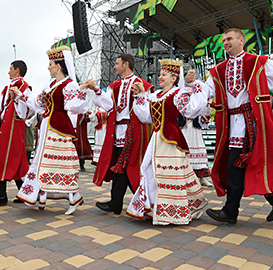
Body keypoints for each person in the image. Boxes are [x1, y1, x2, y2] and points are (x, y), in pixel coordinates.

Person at [186, 28, 273, 224]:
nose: (225, 43)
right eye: (224, 40)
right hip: (231, 125)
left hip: (251, 124)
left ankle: (232, 210)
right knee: (243, 166)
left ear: (241, 40)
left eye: (229, 39)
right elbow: (207, 91)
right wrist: (193, 85)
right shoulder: (218, 70)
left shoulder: (259, 62)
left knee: (239, 166)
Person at [126, 59, 209, 225]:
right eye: (160, 74)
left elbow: (192, 109)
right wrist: (140, 95)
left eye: (164, 74)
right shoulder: (155, 95)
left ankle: (171, 211)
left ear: (173, 78)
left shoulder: (178, 93)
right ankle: (153, 206)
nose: (160, 77)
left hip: (171, 140)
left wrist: (196, 86)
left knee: (169, 173)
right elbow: (145, 116)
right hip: (157, 138)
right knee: (149, 169)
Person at [13, 46, 88, 214]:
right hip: (47, 127)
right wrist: (20, 95)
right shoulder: (51, 85)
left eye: (51, 64)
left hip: (59, 129)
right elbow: (37, 103)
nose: (48, 67)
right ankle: (40, 196)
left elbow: (73, 106)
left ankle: (73, 198)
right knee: (42, 162)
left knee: (62, 164)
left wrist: (82, 93)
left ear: (58, 66)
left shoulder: (70, 85)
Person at [82, 53, 153, 214]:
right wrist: (97, 90)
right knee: (122, 167)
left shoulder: (142, 84)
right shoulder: (114, 85)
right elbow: (108, 105)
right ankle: (119, 202)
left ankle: (140, 202)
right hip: (117, 132)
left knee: (130, 167)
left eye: (117, 63)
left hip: (133, 132)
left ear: (126, 64)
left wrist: (140, 94)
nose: (114, 66)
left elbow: (146, 111)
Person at [0, 60, 32, 206]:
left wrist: (17, 98)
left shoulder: (25, 87)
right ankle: (25, 193)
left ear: (17, 70)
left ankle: (1, 195)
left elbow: (26, 111)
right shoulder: (7, 88)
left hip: (14, 128)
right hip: (4, 128)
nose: (8, 72)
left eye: (10, 69)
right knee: (14, 160)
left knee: (8, 159)